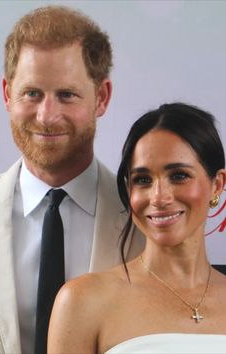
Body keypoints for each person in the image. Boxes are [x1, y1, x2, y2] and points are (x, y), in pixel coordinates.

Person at [0, 5, 144, 354]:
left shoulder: (147, 220)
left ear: (101, 97)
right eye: (32, 93)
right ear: (6, 94)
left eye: (66, 94)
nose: (46, 116)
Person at [48, 102, 226, 354]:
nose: (158, 197)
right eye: (143, 180)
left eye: (178, 175)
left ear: (217, 185)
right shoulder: (83, 301)